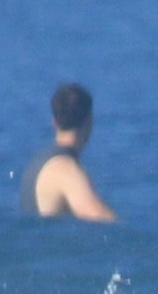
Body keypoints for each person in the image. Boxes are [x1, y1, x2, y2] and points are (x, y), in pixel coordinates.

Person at [23, 82, 118, 223]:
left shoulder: (37, 163)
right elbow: (101, 219)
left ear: (54, 122)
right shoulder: (65, 170)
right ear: (89, 121)